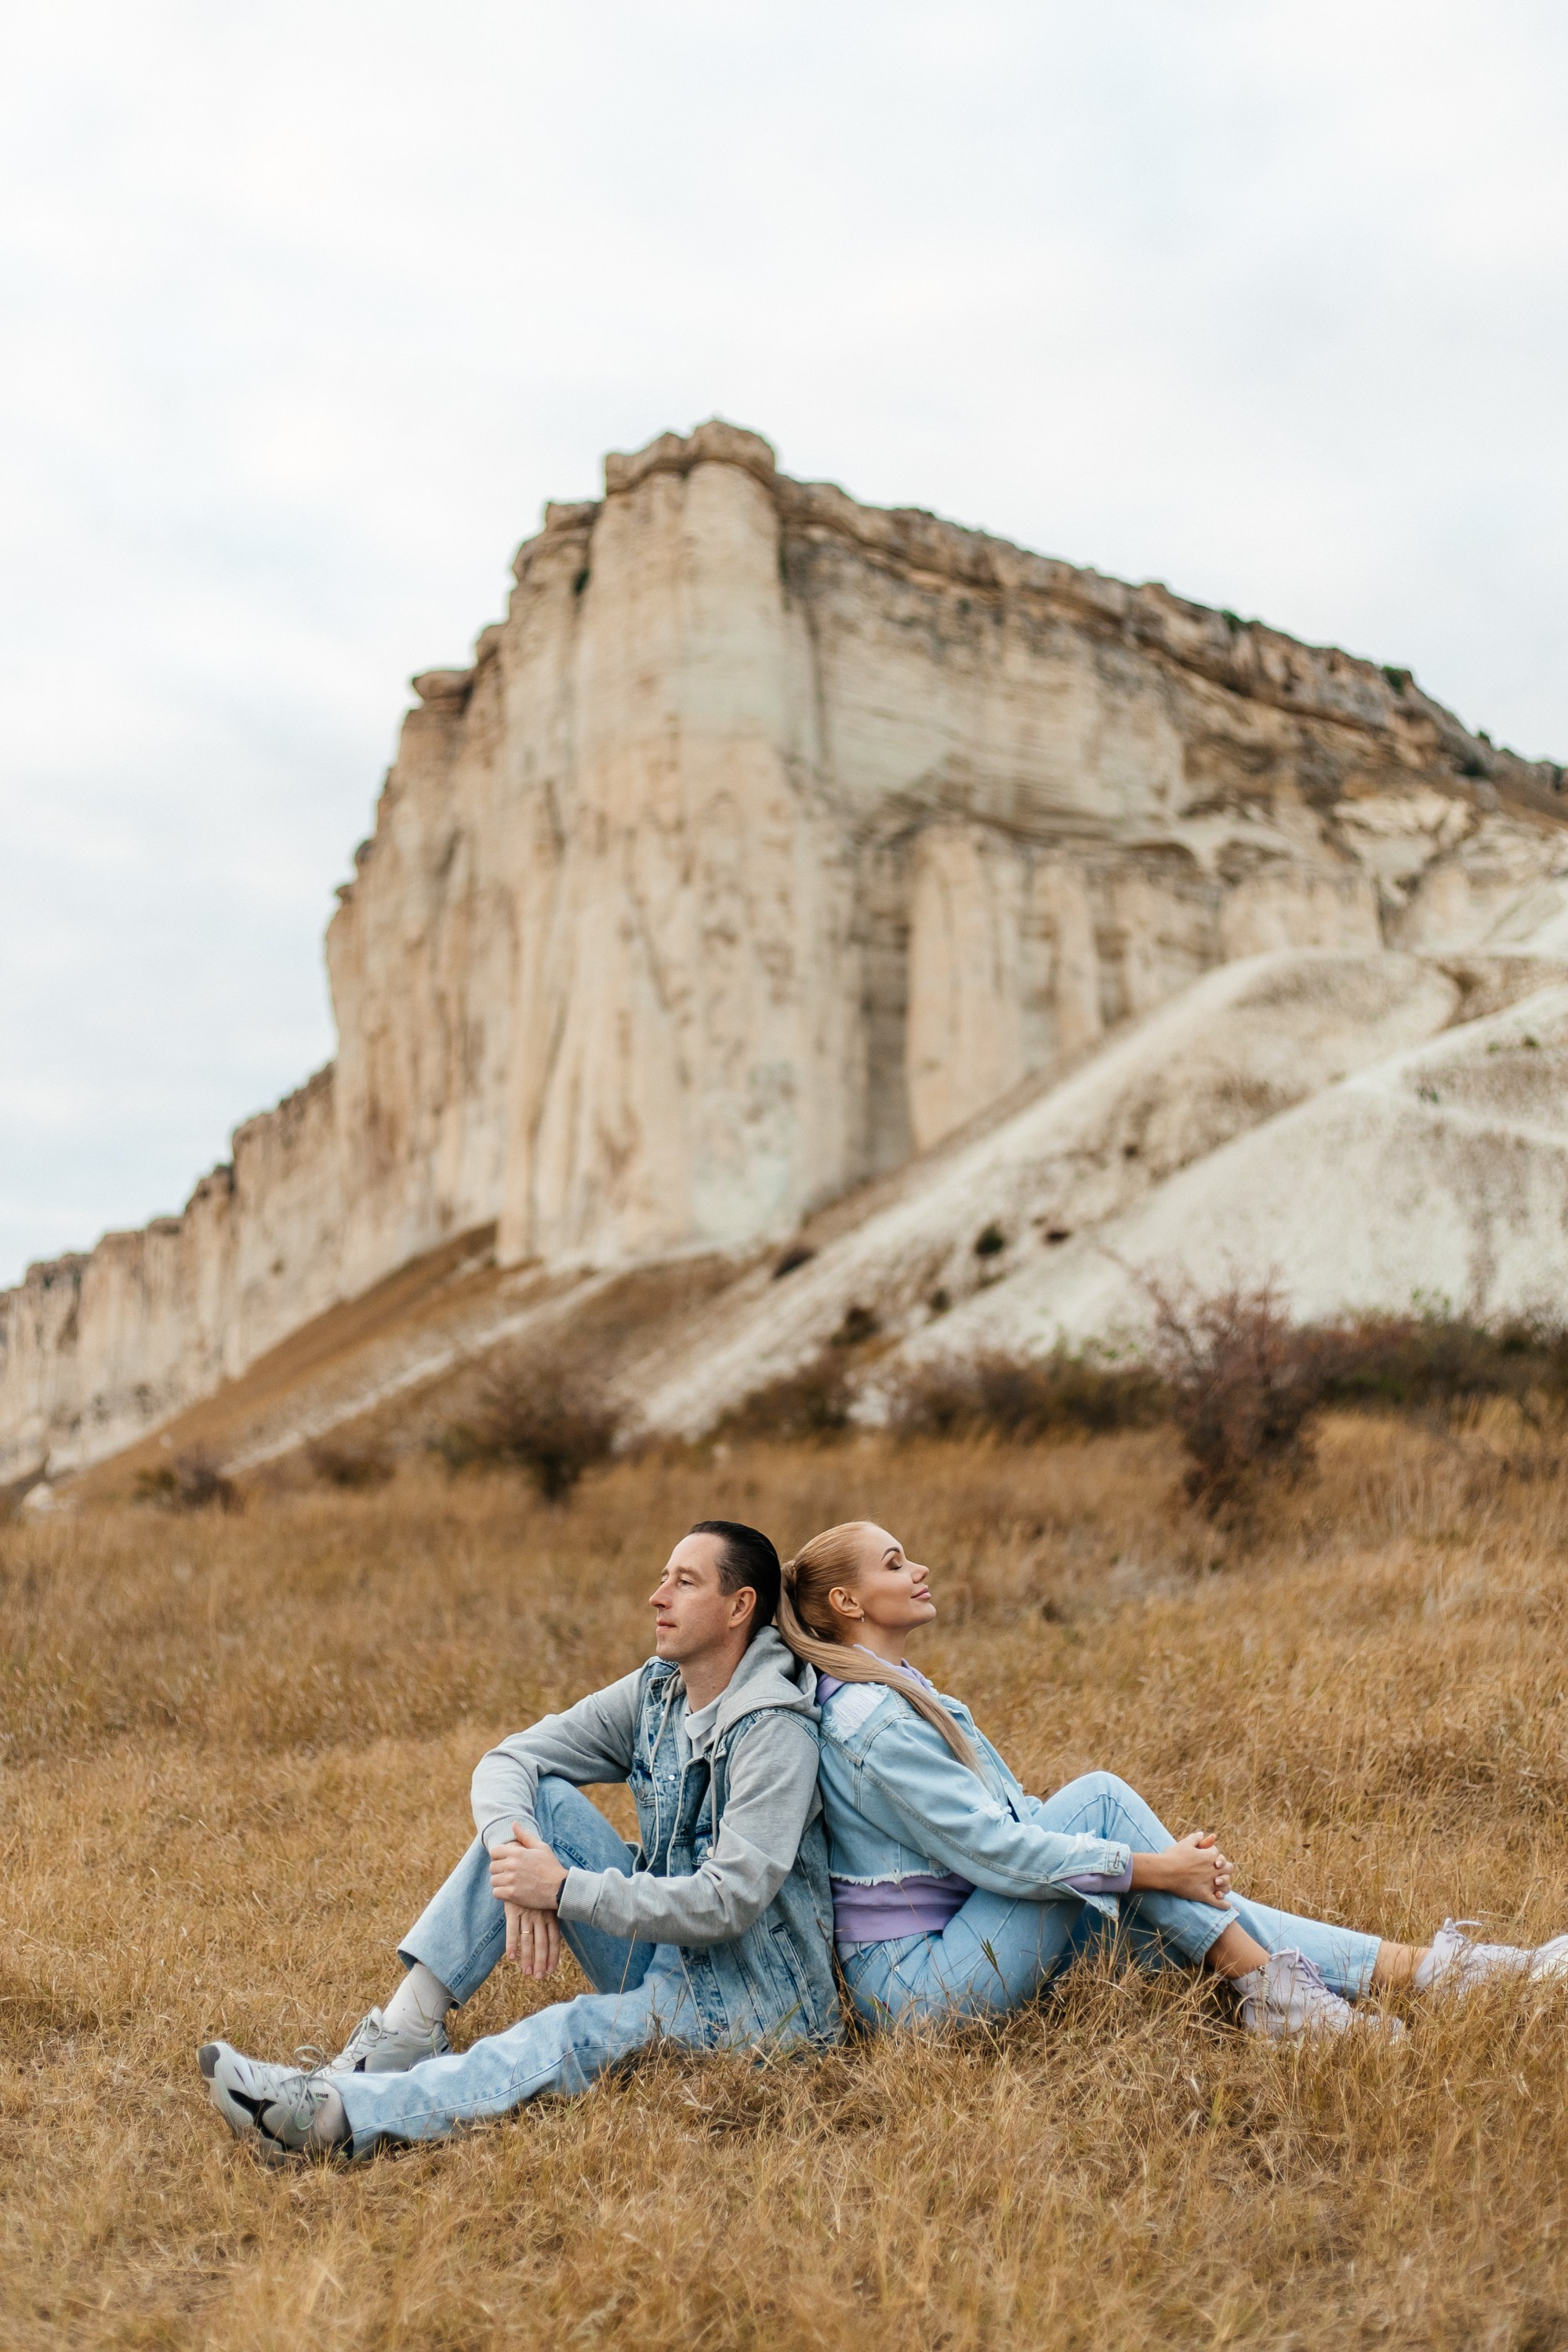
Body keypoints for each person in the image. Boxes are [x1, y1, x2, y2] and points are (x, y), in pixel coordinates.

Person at [776, 1520, 1568, 2039]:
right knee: (1100, 1802)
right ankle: (1286, 1997)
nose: (918, 1568)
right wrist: (1153, 1867)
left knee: (1178, 1916)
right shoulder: (872, 1720)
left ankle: (1447, 1974)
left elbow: (1010, 1824)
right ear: (846, 1601)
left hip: (967, 1938)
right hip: (919, 1991)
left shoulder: (892, 1689)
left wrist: (1153, 1877)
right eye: (894, 1564)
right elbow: (995, 1851)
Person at [199, 1521, 840, 2161]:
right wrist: (519, 1863)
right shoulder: (659, 1692)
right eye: (663, 1577)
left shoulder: (773, 1732)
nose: (657, 1596)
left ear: (739, 1606)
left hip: (753, 2005)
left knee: (565, 2033)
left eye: (685, 1582)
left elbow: (729, 1901)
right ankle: (406, 2032)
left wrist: (561, 1890)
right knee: (543, 1804)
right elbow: (512, 1758)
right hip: (666, 1952)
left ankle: (335, 2118)